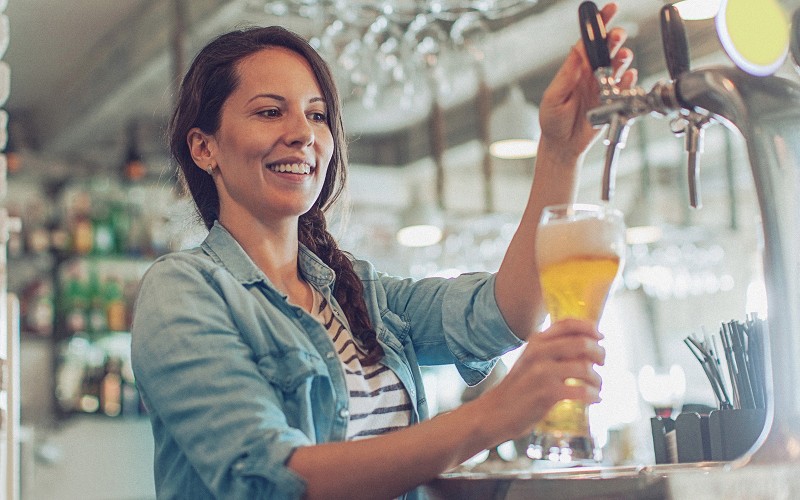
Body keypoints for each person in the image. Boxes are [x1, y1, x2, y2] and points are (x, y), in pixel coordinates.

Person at [131, 3, 635, 498]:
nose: (303, 134)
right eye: (269, 111)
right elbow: (275, 479)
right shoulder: (183, 291)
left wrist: (561, 151)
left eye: (317, 115)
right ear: (204, 148)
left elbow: (505, 315)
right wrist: (491, 415)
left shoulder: (362, 295)